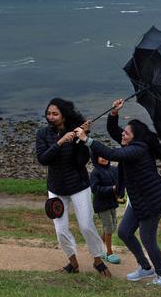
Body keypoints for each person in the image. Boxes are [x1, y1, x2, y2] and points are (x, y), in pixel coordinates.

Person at [73, 98, 161, 287]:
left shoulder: (138, 149)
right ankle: (145, 267)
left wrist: (87, 140)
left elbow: (113, 155)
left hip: (153, 201)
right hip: (138, 200)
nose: (123, 135)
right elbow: (114, 132)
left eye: (126, 133)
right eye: (124, 132)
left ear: (134, 137)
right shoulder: (131, 143)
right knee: (125, 232)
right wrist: (114, 113)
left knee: (147, 239)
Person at [35, 97, 111, 277]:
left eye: (55, 114)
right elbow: (43, 159)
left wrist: (82, 139)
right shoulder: (42, 134)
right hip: (55, 188)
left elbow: (82, 161)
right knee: (60, 230)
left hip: (79, 186)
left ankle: (97, 260)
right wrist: (60, 142)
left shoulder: (76, 132)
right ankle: (73, 262)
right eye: (48, 113)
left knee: (86, 225)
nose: (51, 117)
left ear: (64, 115)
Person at [89, 154, 121, 264]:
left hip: (112, 202)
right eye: (100, 156)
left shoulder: (113, 170)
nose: (104, 158)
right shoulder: (95, 172)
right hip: (102, 204)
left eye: (106, 155)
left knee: (112, 226)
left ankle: (98, 249)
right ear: (96, 158)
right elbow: (95, 189)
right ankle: (109, 253)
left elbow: (120, 179)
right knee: (109, 228)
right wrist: (111, 189)